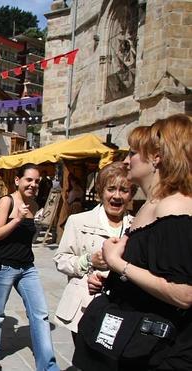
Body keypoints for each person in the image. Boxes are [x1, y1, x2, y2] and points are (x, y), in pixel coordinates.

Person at [73, 114, 192, 370]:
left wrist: (119, 264)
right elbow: (154, 268)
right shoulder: (152, 204)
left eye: (133, 153)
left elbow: (184, 293)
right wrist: (115, 280)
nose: (126, 161)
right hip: (134, 343)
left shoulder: (173, 207)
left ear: (157, 158)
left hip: (158, 352)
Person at [0, 163, 59, 371]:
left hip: (27, 268)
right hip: (4, 267)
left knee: (40, 314)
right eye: (28, 180)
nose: (33, 185)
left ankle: (48, 366)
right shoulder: (8, 201)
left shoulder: (33, 205)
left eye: (36, 181)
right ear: (17, 180)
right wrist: (18, 220)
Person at [53, 162, 135, 338]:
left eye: (124, 190)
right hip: (85, 307)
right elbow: (61, 259)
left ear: (132, 194)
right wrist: (88, 260)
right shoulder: (78, 221)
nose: (117, 196)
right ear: (100, 192)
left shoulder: (136, 226)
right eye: (111, 189)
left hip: (122, 309)